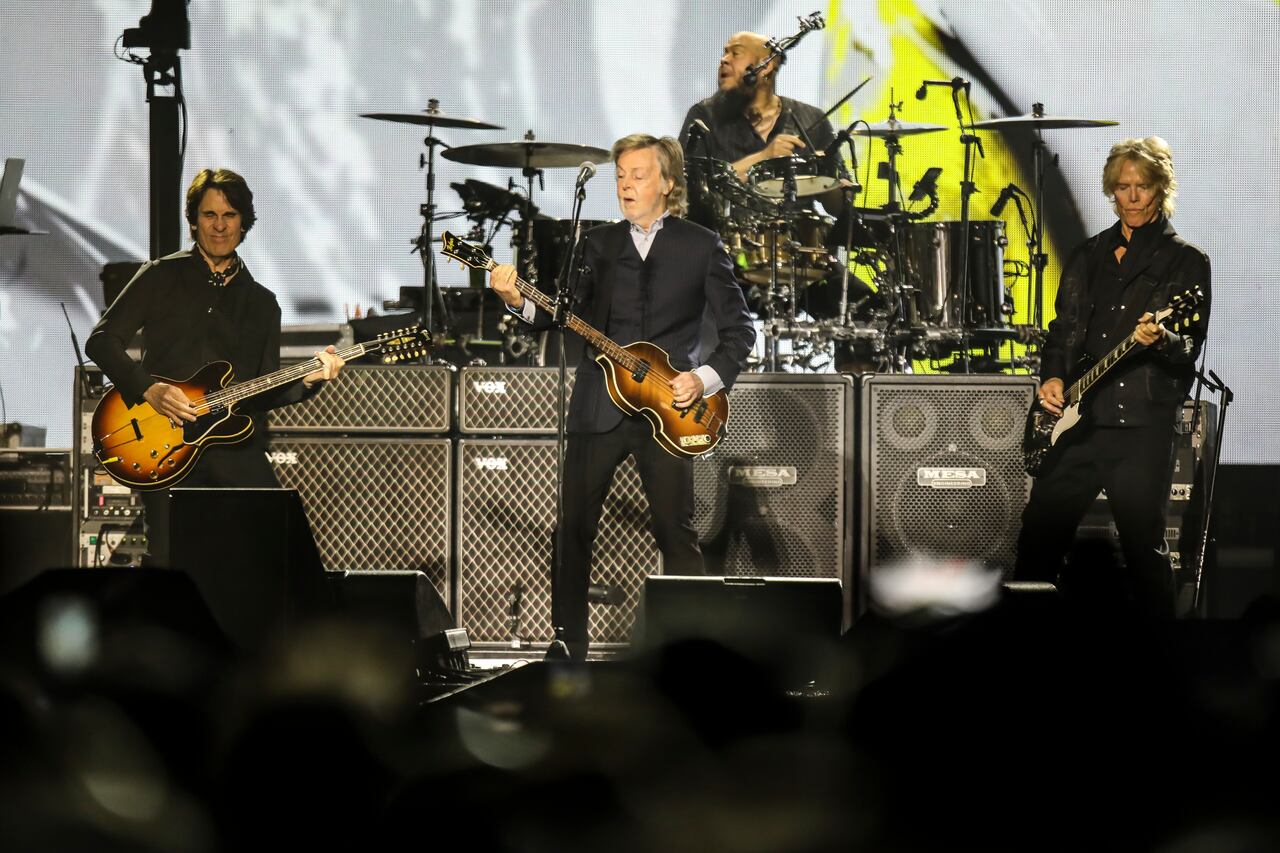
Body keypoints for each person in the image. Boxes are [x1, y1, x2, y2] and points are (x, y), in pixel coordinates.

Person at [488, 134, 755, 659]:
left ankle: (691, 649)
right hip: (599, 405)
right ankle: (568, 645)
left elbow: (739, 333)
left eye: (638, 174)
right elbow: (561, 315)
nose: (626, 185)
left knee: (674, 532)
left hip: (672, 409)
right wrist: (516, 299)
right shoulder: (596, 244)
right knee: (573, 530)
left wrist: (702, 379)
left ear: (668, 183)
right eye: (620, 176)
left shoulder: (701, 245)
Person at [85, 168, 345, 567]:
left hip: (233, 446)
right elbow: (102, 341)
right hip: (161, 442)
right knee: (170, 562)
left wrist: (309, 378)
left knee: (279, 550)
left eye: (230, 215)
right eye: (209, 215)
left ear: (244, 223)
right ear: (193, 221)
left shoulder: (262, 303)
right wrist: (150, 389)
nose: (219, 226)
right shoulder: (160, 275)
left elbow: (263, 390)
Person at [1014, 137, 1211, 618]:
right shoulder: (1088, 254)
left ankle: (1162, 663)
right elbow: (1061, 334)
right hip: (1079, 425)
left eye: (1143, 187)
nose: (1133, 197)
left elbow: (1188, 349)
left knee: (1143, 551)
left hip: (1142, 427)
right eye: (1123, 188)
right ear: (1112, 192)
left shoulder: (1187, 262)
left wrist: (1160, 340)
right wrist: (1053, 379)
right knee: (1036, 544)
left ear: (1161, 189)